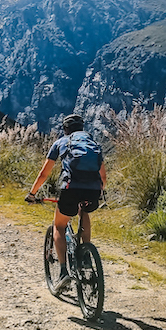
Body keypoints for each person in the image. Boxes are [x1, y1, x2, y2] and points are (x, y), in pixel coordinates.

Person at [26, 114, 106, 292]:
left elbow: (44, 174)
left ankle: (63, 273)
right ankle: (85, 254)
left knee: (59, 226)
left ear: (65, 129)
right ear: (82, 128)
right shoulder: (93, 145)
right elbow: (103, 177)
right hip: (93, 191)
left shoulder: (61, 142)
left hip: (70, 189)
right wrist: (98, 192)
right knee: (84, 212)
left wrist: (32, 193)